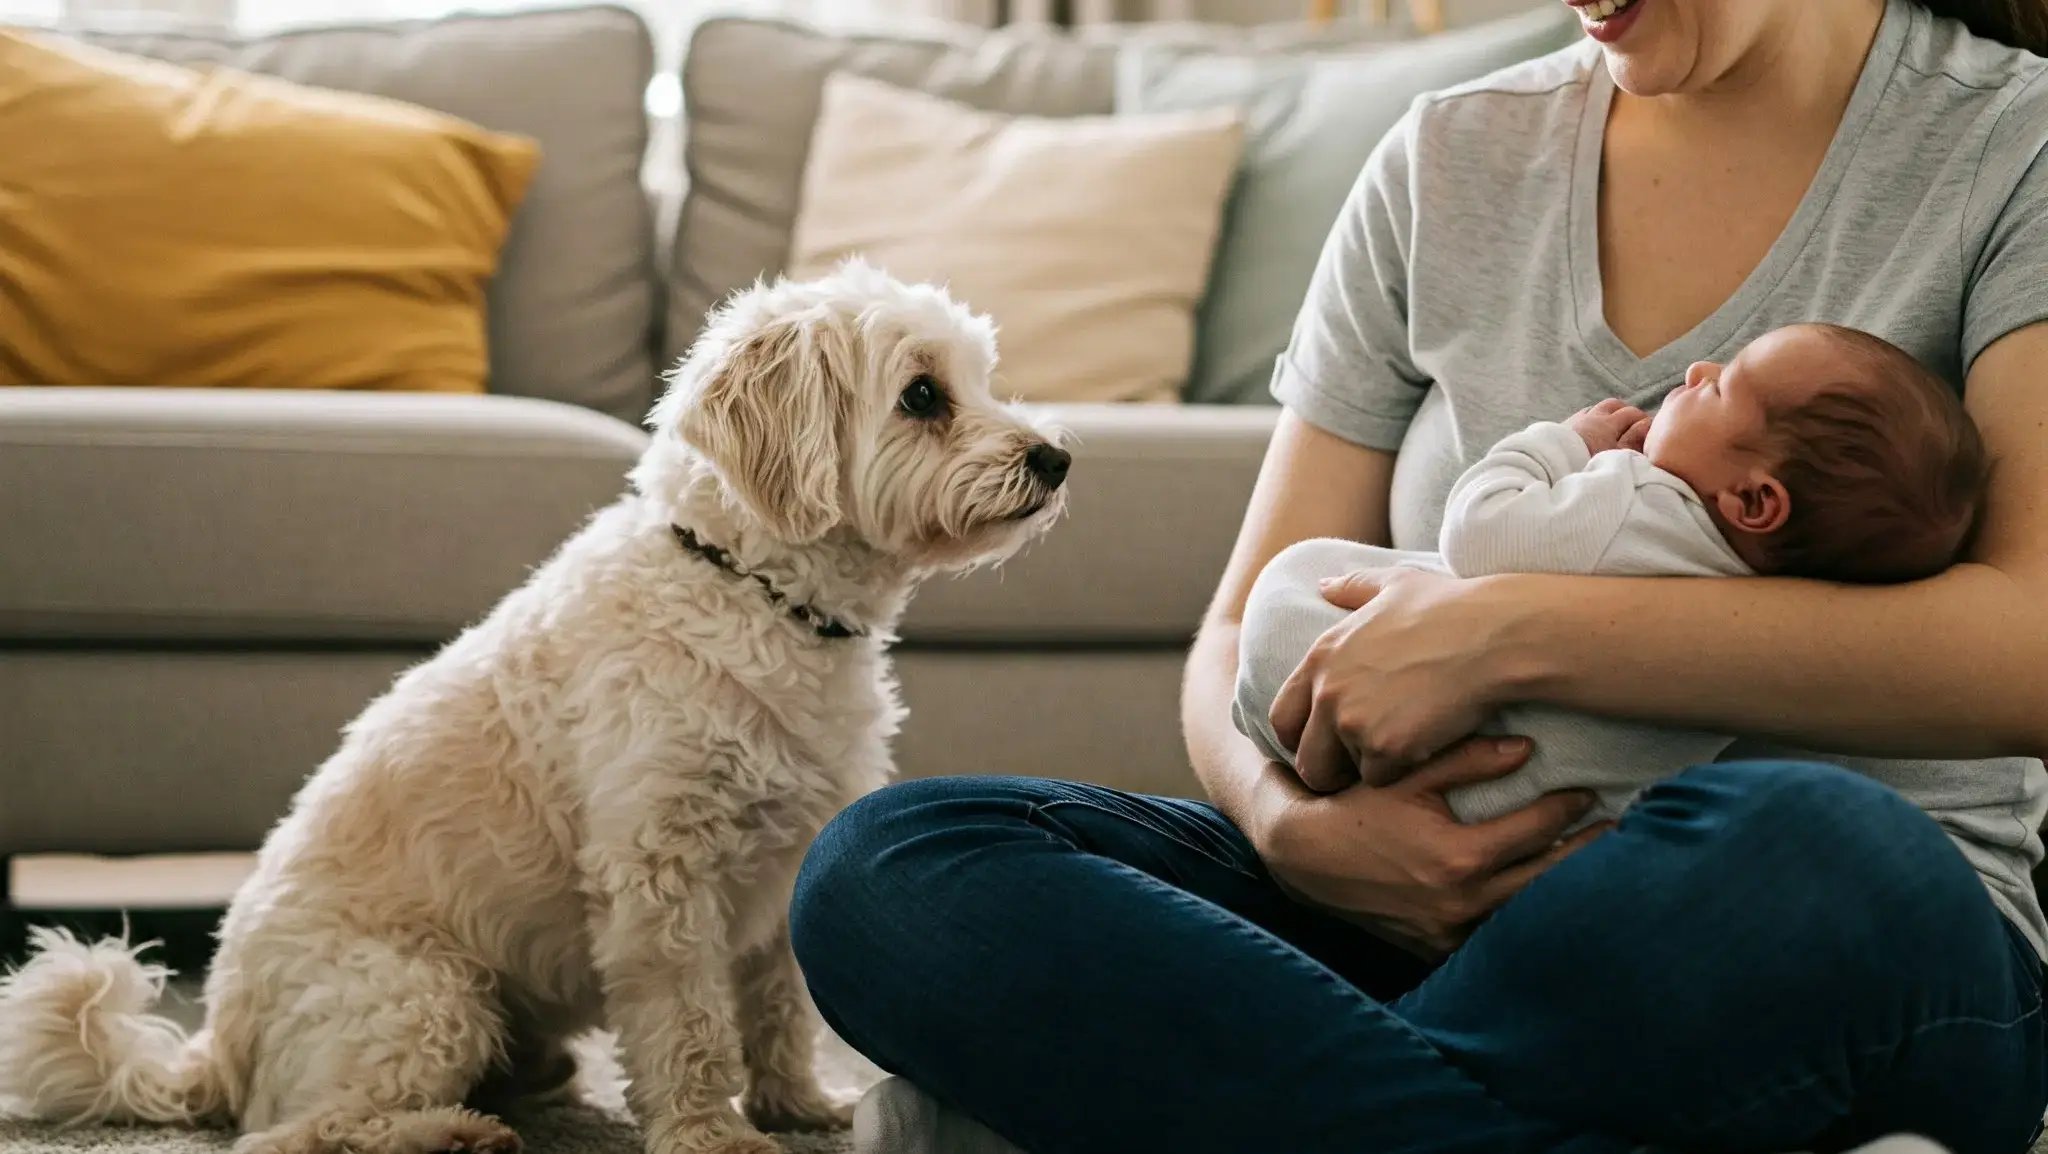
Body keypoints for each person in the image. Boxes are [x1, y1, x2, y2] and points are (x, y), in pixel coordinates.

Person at [790, 1, 2048, 1151]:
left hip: (1794, 930)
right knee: (893, 861)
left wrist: (1507, 629)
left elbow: (2028, 646)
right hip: (1387, 923)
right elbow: (1238, 621)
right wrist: (1293, 833)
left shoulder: (2009, 144)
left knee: (1815, 840)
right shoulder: (1445, 156)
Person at [1234, 323, 1991, 829]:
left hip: (1382, 730)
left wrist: (1565, 445)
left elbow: (1478, 532)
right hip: (1551, 810)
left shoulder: (1639, 506)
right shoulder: (1754, 605)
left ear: (1756, 501)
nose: (1698, 369)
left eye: (1722, 388)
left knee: (1297, 576)